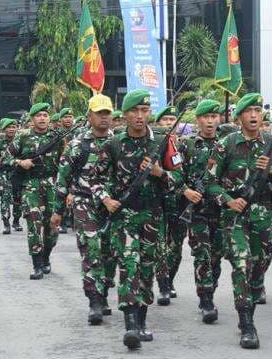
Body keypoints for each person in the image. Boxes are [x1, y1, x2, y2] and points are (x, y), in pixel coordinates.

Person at [92, 89, 182, 349]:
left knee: (146, 267)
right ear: (126, 114)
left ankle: (141, 321)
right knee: (129, 265)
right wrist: (106, 199)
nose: (140, 116)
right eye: (134, 111)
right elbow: (94, 179)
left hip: (153, 214)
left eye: (144, 111)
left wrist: (159, 173)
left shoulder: (163, 142)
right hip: (125, 215)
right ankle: (130, 324)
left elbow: (179, 178)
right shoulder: (113, 144)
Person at [207, 93, 272, 349]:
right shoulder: (226, 144)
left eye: (257, 110)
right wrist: (228, 200)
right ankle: (246, 321)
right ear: (239, 117)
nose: (254, 115)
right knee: (241, 264)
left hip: (263, 215)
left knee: (259, 266)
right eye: (248, 111)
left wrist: (271, 168)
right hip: (235, 216)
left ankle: (249, 306)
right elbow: (209, 182)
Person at [52, 94, 116, 325]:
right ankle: (94, 301)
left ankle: (105, 292)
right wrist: (57, 211)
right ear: (89, 115)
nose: (104, 118)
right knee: (91, 249)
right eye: (99, 113)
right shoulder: (78, 145)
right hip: (84, 202)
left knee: (109, 251)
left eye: (107, 113)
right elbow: (63, 179)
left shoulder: (118, 142)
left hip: (111, 204)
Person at [3, 103, 64, 280]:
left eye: (45, 115)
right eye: (39, 115)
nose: (42, 118)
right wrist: (20, 163)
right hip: (31, 185)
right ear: (32, 119)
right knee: (34, 225)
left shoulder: (57, 137)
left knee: (52, 227)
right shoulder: (22, 137)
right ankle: (37, 264)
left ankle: (46, 256)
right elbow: (5, 157)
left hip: (52, 184)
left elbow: (65, 162)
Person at [176, 99, 222, 323]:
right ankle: (206, 299)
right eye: (206, 117)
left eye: (214, 116)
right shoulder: (187, 145)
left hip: (223, 210)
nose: (210, 121)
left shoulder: (227, 143)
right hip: (197, 212)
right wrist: (186, 191)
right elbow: (174, 173)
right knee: (202, 254)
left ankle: (210, 287)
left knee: (216, 256)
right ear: (198, 120)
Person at [154, 105, 183, 305]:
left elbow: (184, 175)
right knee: (159, 246)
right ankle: (163, 284)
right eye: (165, 120)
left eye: (172, 120)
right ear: (158, 124)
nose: (169, 123)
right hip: (158, 201)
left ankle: (170, 279)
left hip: (179, 202)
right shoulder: (154, 144)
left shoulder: (188, 145)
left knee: (176, 246)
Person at [0, 118, 22, 234]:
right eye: (9, 127)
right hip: (4, 175)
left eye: (13, 127)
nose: (11, 129)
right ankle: (6, 223)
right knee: (5, 200)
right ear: (4, 130)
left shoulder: (21, 141)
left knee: (18, 199)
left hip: (19, 174)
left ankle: (16, 220)